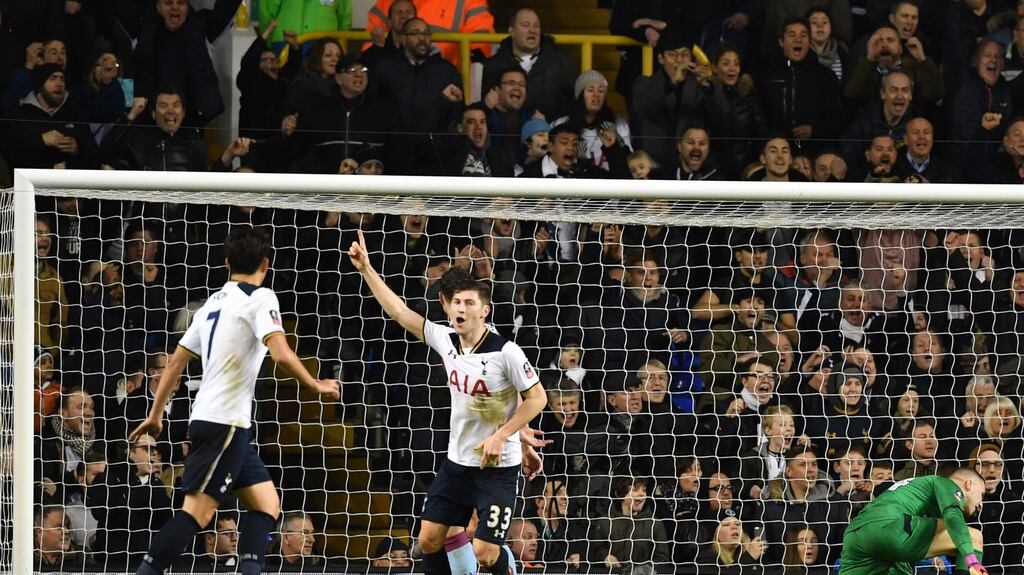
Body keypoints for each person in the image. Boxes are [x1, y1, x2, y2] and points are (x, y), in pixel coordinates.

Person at [128, 227, 340, 575]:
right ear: (266, 264)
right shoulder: (260, 298)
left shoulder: (212, 303)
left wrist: (155, 414)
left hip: (221, 421)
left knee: (268, 504)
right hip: (225, 422)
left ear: (227, 263)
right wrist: (315, 384)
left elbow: (176, 361)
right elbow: (282, 353)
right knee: (197, 513)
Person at [347, 232, 547, 575]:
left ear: (484, 311)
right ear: (446, 305)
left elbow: (537, 397)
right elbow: (398, 311)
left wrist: (506, 436)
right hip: (458, 463)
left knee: (485, 552)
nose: (461, 308)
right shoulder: (445, 340)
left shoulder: (506, 352)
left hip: (498, 469)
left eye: (469, 303)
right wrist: (366, 269)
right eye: (456, 302)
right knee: (427, 540)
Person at [837, 468, 990, 575]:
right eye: (982, 495)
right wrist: (972, 560)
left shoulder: (913, 494)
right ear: (968, 484)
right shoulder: (946, 484)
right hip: (890, 526)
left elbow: (903, 557)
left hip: (855, 535)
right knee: (973, 537)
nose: (981, 504)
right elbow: (953, 517)